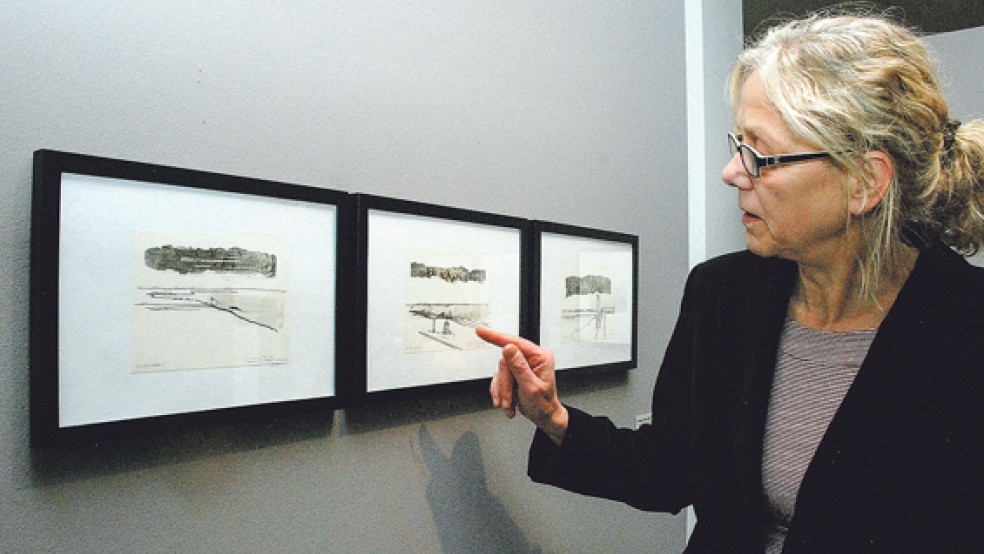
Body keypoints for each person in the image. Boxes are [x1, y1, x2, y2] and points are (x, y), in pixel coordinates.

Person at [477, 9, 984, 553]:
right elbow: (673, 468)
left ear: (866, 181)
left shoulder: (965, 326)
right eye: (736, 142)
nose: (732, 171)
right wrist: (555, 418)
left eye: (760, 153)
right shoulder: (722, 296)